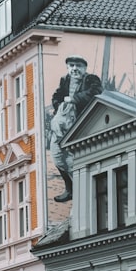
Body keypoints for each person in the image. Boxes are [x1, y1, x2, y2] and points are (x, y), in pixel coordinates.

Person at [49, 55, 102, 202]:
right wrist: (59, 106)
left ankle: (83, 189)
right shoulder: (65, 80)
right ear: (68, 68)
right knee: (57, 157)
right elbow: (57, 96)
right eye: (71, 66)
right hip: (61, 124)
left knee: (74, 158)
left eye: (78, 66)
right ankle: (69, 188)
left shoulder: (91, 79)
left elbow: (95, 92)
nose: (74, 69)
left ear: (84, 68)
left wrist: (74, 99)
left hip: (79, 124)